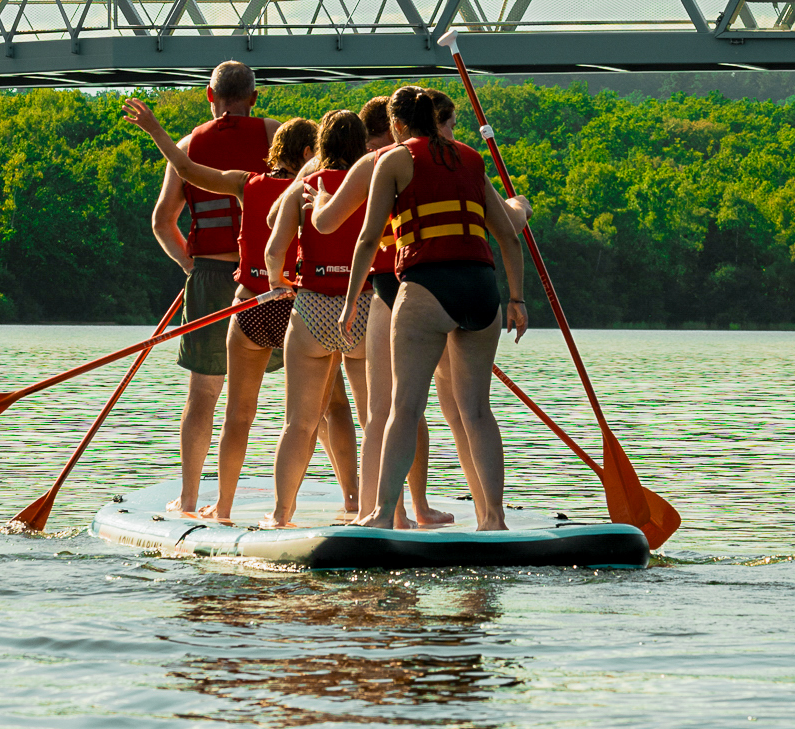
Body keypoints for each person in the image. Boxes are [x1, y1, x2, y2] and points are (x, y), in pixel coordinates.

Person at [311, 93, 531, 523]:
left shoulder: (393, 160)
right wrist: (518, 300)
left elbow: (368, 239)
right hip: (483, 288)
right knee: (477, 411)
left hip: (428, 285)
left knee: (405, 408)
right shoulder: (470, 158)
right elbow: (509, 236)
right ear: (434, 119)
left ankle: (382, 513)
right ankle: (495, 519)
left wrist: (351, 301)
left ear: (396, 126)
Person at [127, 102, 317, 523]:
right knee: (314, 406)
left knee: (214, 400)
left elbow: (168, 211)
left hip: (227, 285)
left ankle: (200, 500)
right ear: (251, 98)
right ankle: (340, 501)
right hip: (294, 295)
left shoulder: (214, 161)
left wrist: (190, 266)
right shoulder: (299, 159)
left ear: (212, 95)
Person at [262, 109, 374, 527]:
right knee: (373, 421)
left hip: (311, 309)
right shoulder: (374, 182)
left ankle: (280, 513)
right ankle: (371, 511)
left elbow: (274, 251)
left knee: (299, 424)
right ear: (363, 146)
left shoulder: (303, 187)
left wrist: (279, 283)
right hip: (362, 309)